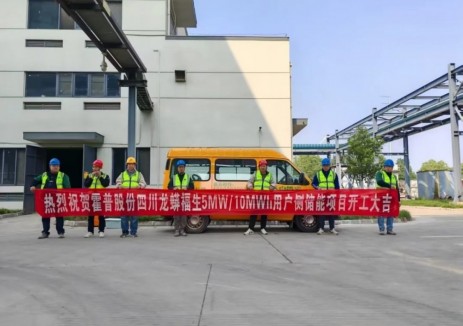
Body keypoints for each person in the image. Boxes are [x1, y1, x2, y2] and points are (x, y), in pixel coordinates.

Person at [30, 158, 71, 239]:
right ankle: (45, 232)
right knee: (45, 216)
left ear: (59, 167)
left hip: (58, 199)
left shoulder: (63, 176)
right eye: (53, 165)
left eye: (57, 165)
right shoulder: (44, 175)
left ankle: (60, 232)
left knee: (59, 216)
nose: (55, 167)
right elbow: (35, 180)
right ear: (50, 166)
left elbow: (68, 188)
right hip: (46, 199)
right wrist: (32, 186)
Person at [115, 156, 147, 238]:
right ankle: (124, 232)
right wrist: (120, 186)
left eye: (132, 164)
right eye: (129, 164)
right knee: (124, 216)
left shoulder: (139, 174)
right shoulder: (122, 174)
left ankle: (133, 232)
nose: (130, 165)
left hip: (134, 198)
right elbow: (117, 182)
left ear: (135, 165)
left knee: (134, 216)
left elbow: (144, 184)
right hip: (124, 198)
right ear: (127, 165)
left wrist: (139, 186)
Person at [244, 159, 276, 235]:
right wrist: (250, 186)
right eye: (261, 166)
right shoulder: (255, 174)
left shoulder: (270, 175)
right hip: (256, 197)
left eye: (264, 166)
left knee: (264, 213)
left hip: (265, 197)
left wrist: (272, 186)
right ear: (259, 167)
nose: (263, 167)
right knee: (254, 213)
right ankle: (251, 228)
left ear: (266, 167)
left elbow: (274, 183)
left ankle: (263, 228)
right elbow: (249, 182)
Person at [312, 158, 340, 235]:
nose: (326, 167)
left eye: (327, 165)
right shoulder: (318, 174)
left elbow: (337, 186)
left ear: (329, 165)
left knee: (331, 213)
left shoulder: (334, 174)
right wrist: (317, 187)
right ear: (322, 165)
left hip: (331, 196)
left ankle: (332, 228)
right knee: (322, 213)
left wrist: (337, 195)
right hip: (322, 196)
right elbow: (313, 184)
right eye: (324, 165)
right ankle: (321, 228)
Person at [83, 159, 110, 238]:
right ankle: (90, 231)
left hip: (100, 198)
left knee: (101, 215)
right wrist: (92, 177)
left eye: (96, 167)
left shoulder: (105, 175)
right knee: (90, 215)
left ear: (99, 168)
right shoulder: (89, 175)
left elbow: (106, 184)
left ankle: (101, 231)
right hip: (91, 197)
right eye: (93, 167)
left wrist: (100, 177)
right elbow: (86, 184)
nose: (94, 168)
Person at [167, 160, 194, 237]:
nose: (181, 168)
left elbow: (192, 187)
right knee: (176, 216)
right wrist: (173, 189)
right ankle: (176, 230)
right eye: (179, 167)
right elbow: (169, 187)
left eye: (182, 167)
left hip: (185, 199)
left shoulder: (188, 177)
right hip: (176, 199)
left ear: (184, 168)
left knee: (184, 216)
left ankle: (182, 230)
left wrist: (187, 188)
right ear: (177, 168)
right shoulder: (174, 177)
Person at [376, 159, 400, 235]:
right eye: (387, 166)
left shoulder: (394, 177)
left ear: (392, 168)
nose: (389, 168)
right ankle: (382, 229)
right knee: (381, 213)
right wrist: (389, 186)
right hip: (381, 197)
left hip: (391, 198)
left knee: (391, 213)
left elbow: (396, 189)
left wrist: (398, 200)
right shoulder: (380, 173)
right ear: (384, 167)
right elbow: (379, 181)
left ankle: (389, 229)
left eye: (390, 167)